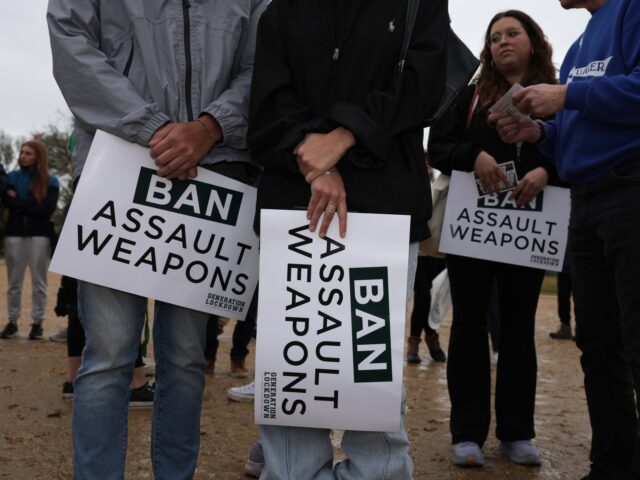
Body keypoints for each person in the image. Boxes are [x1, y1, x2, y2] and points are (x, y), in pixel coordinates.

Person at [47, 1, 268, 478]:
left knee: (187, 358)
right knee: (107, 354)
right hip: (117, 164)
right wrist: (154, 129)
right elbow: (71, 42)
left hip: (214, 174)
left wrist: (210, 127)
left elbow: (264, 61)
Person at [248, 0, 448, 478]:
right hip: (294, 208)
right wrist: (316, 159)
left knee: (371, 369)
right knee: (293, 369)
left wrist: (346, 134)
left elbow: (423, 87)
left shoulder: (419, 4)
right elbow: (266, 106)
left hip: (385, 210)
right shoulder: (280, 12)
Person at [490, 1, 640, 478]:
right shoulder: (579, 45)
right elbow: (572, 130)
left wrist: (568, 95)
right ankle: (612, 463)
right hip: (586, 200)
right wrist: (538, 131)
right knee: (597, 343)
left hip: (631, 189)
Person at [428, 10, 559, 467]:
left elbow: (578, 145)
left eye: (513, 33)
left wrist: (548, 170)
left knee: (520, 328)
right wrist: (475, 155)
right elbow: (437, 148)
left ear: (533, 40)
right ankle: (467, 433)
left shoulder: (557, 92)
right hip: (475, 227)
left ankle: (517, 433)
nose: (503, 42)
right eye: (495, 36)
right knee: (467, 326)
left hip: (530, 229)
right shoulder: (469, 95)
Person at [1, 141, 58, 340]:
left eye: (28, 153)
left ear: (38, 156)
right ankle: (12, 321)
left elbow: (47, 209)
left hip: (40, 235)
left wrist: (19, 204)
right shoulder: (11, 178)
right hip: (14, 234)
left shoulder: (52, 181)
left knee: (39, 282)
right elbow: (7, 202)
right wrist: (32, 203)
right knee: (14, 282)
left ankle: (38, 323)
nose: (23, 156)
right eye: (22, 152)